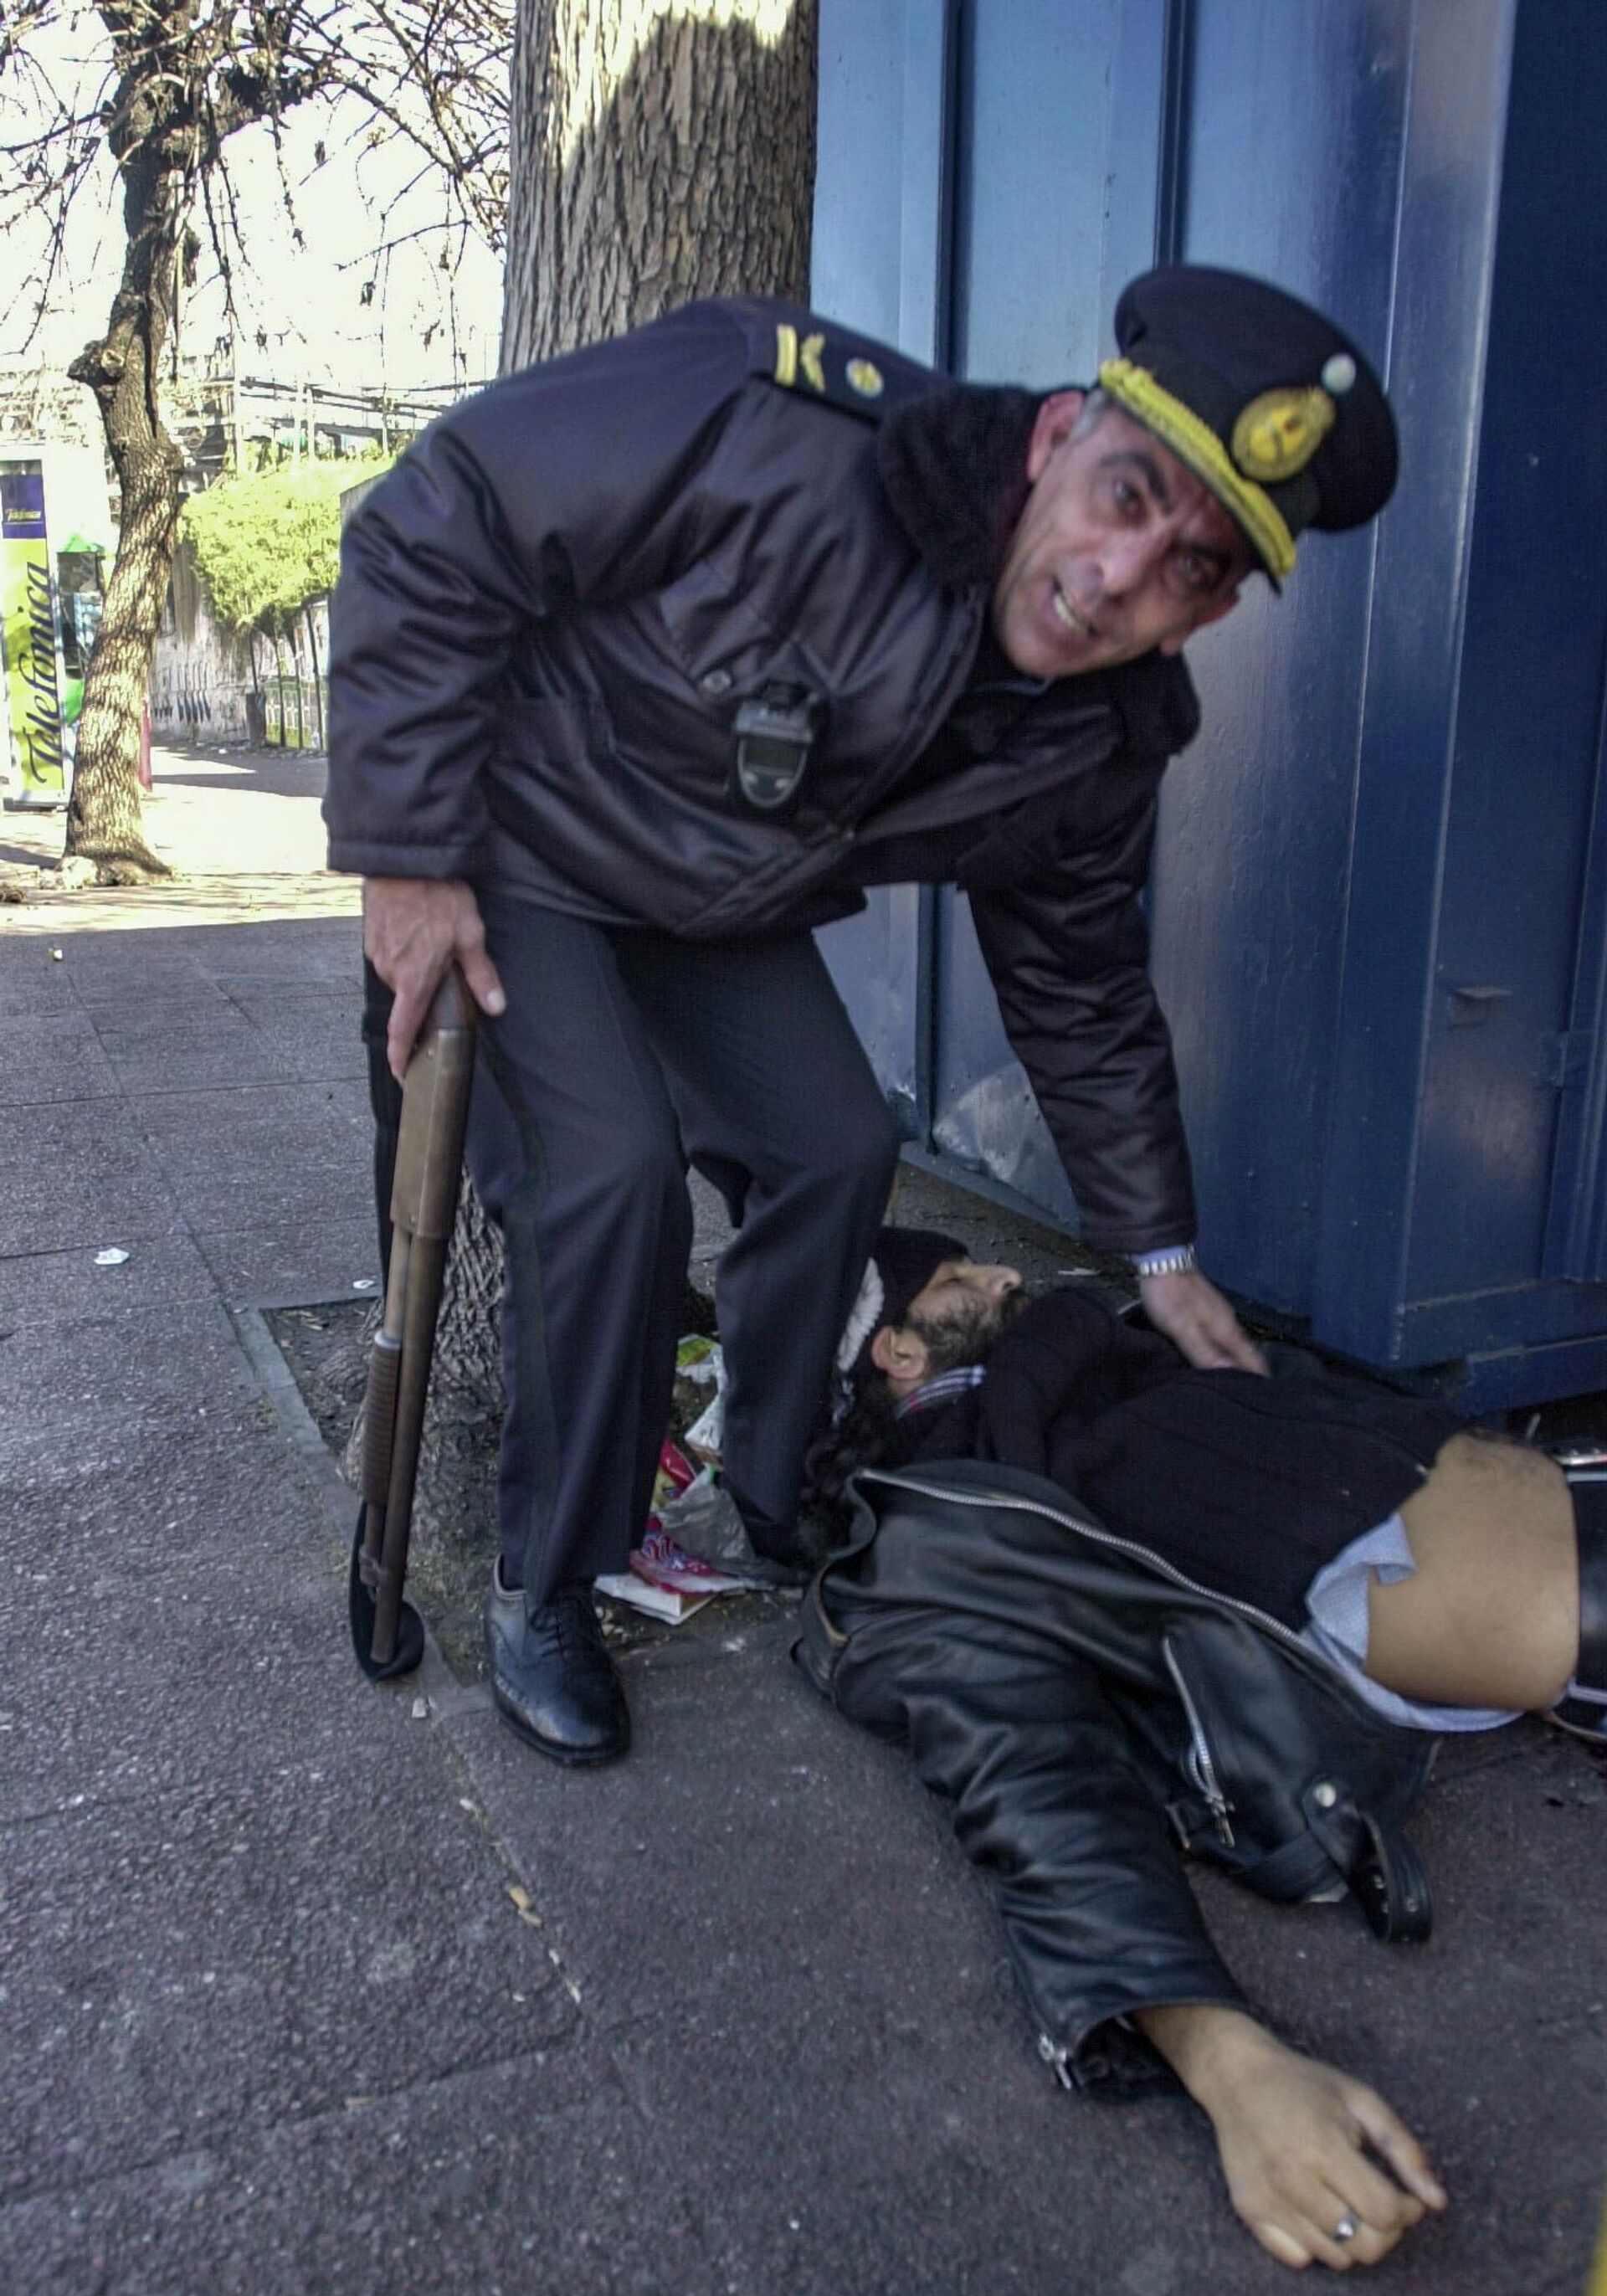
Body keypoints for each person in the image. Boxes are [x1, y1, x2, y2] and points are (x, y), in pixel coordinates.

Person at [325, 267, 1400, 1768]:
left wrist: (1161, 1255)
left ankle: (772, 1487)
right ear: (1059, 436)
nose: (1118, 578)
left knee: (836, 1143)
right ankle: (548, 1578)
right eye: (1127, 496)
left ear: (1214, 609)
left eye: (1192, 567)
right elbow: (434, 519)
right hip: (517, 835)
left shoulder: (1106, 732)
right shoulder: (777, 423)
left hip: (704, 902)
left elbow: (1081, 979)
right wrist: (406, 852)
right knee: (611, 1178)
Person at [792, 1227, 1606, 2270]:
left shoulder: (1090, 1357)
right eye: (956, 1277)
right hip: (1402, 1564)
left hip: (1460, 1478)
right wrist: (1231, 2062)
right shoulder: (939, 1518)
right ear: (896, 1348)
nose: (1004, 1273)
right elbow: (1031, 1779)